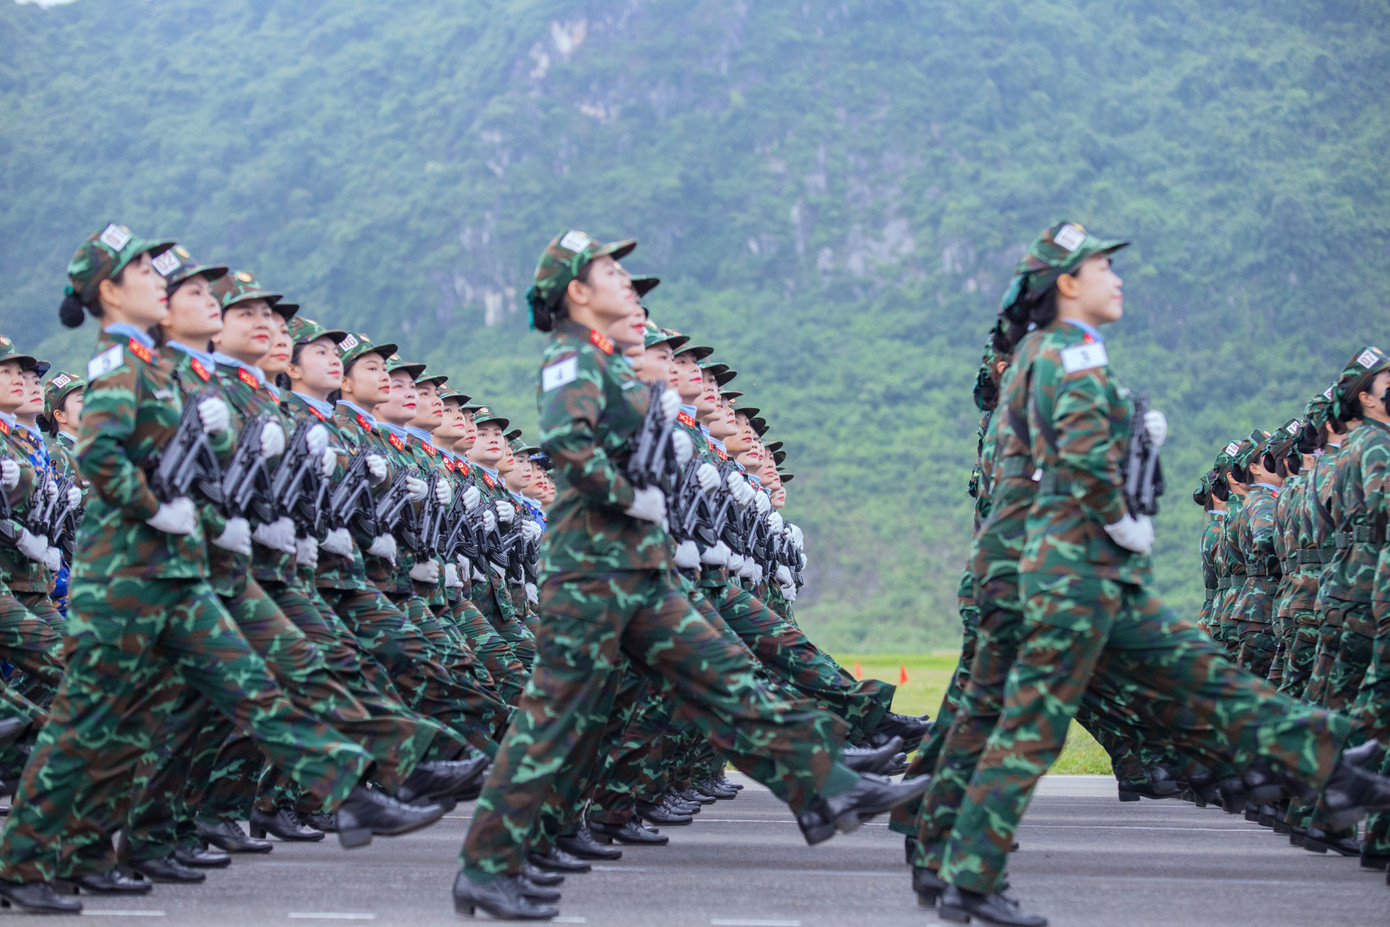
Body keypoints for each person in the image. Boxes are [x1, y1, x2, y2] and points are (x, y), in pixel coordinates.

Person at [452, 229, 928, 920]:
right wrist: (627, 493)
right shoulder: (571, 361)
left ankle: (830, 785)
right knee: (555, 720)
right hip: (592, 571)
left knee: (725, 672)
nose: (625, 280)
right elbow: (569, 445)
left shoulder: (616, 366)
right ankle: (485, 868)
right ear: (577, 293)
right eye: (610, 270)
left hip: (637, 567)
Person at [930, 222, 1390, 927]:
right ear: (1066, 284)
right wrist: (1124, 518)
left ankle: (1335, 766)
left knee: (1166, 683)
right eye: (1103, 267)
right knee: (1135, 691)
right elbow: (1084, 461)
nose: (1116, 278)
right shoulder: (1072, 355)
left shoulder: (1040, 355)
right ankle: (1338, 766)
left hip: (1059, 567)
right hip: (1076, 568)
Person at [0, 226, 446, 915]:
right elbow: (103, 457)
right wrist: (159, 508)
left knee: (241, 687)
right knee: (89, 727)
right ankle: (27, 860)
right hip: (124, 582)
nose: (160, 280)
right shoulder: (119, 367)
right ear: (111, 293)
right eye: (144, 272)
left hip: (176, 575)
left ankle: (353, 792)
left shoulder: (157, 369)